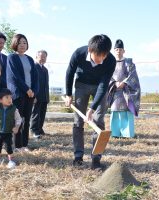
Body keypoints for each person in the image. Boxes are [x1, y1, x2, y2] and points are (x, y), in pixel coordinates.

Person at [64, 34, 116, 169]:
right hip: (81, 85)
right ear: (90, 50)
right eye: (98, 56)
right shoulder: (79, 53)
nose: (101, 60)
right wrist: (69, 94)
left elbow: (104, 85)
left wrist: (92, 108)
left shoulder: (110, 60)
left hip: (99, 87)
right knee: (78, 121)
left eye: (104, 56)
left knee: (98, 120)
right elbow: (69, 72)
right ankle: (78, 156)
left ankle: (96, 158)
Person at [6, 34, 38, 152]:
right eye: (20, 43)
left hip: (30, 94)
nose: (22, 45)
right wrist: (27, 89)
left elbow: (35, 77)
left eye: (24, 42)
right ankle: (17, 145)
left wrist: (34, 91)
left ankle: (24, 145)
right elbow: (15, 77)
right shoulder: (11, 58)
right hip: (18, 93)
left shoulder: (29, 59)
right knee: (17, 120)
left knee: (27, 120)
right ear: (15, 44)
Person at [107, 39, 141, 138]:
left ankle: (127, 133)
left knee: (127, 112)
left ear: (124, 51)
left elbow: (133, 75)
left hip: (127, 91)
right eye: (117, 49)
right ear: (114, 50)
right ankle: (115, 133)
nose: (119, 51)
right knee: (115, 111)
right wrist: (114, 82)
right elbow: (107, 75)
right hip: (114, 90)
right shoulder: (110, 63)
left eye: (120, 49)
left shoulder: (129, 62)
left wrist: (124, 82)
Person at [0, 88, 22, 168]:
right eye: (7, 97)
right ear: (0, 100)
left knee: (8, 146)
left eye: (10, 97)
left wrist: (16, 127)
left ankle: (11, 161)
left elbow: (18, 119)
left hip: (8, 132)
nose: (10, 99)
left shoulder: (14, 109)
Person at [30, 50, 49, 138]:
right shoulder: (33, 67)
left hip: (44, 95)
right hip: (36, 95)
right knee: (35, 114)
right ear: (36, 57)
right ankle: (34, 130)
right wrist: (33, 95)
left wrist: (47, 97)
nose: (43, 58)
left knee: (42, 113)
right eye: (41, 56)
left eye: (44, 57)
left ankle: (40, 129)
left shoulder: (45, 69)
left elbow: (46, 84)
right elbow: (31, 82)